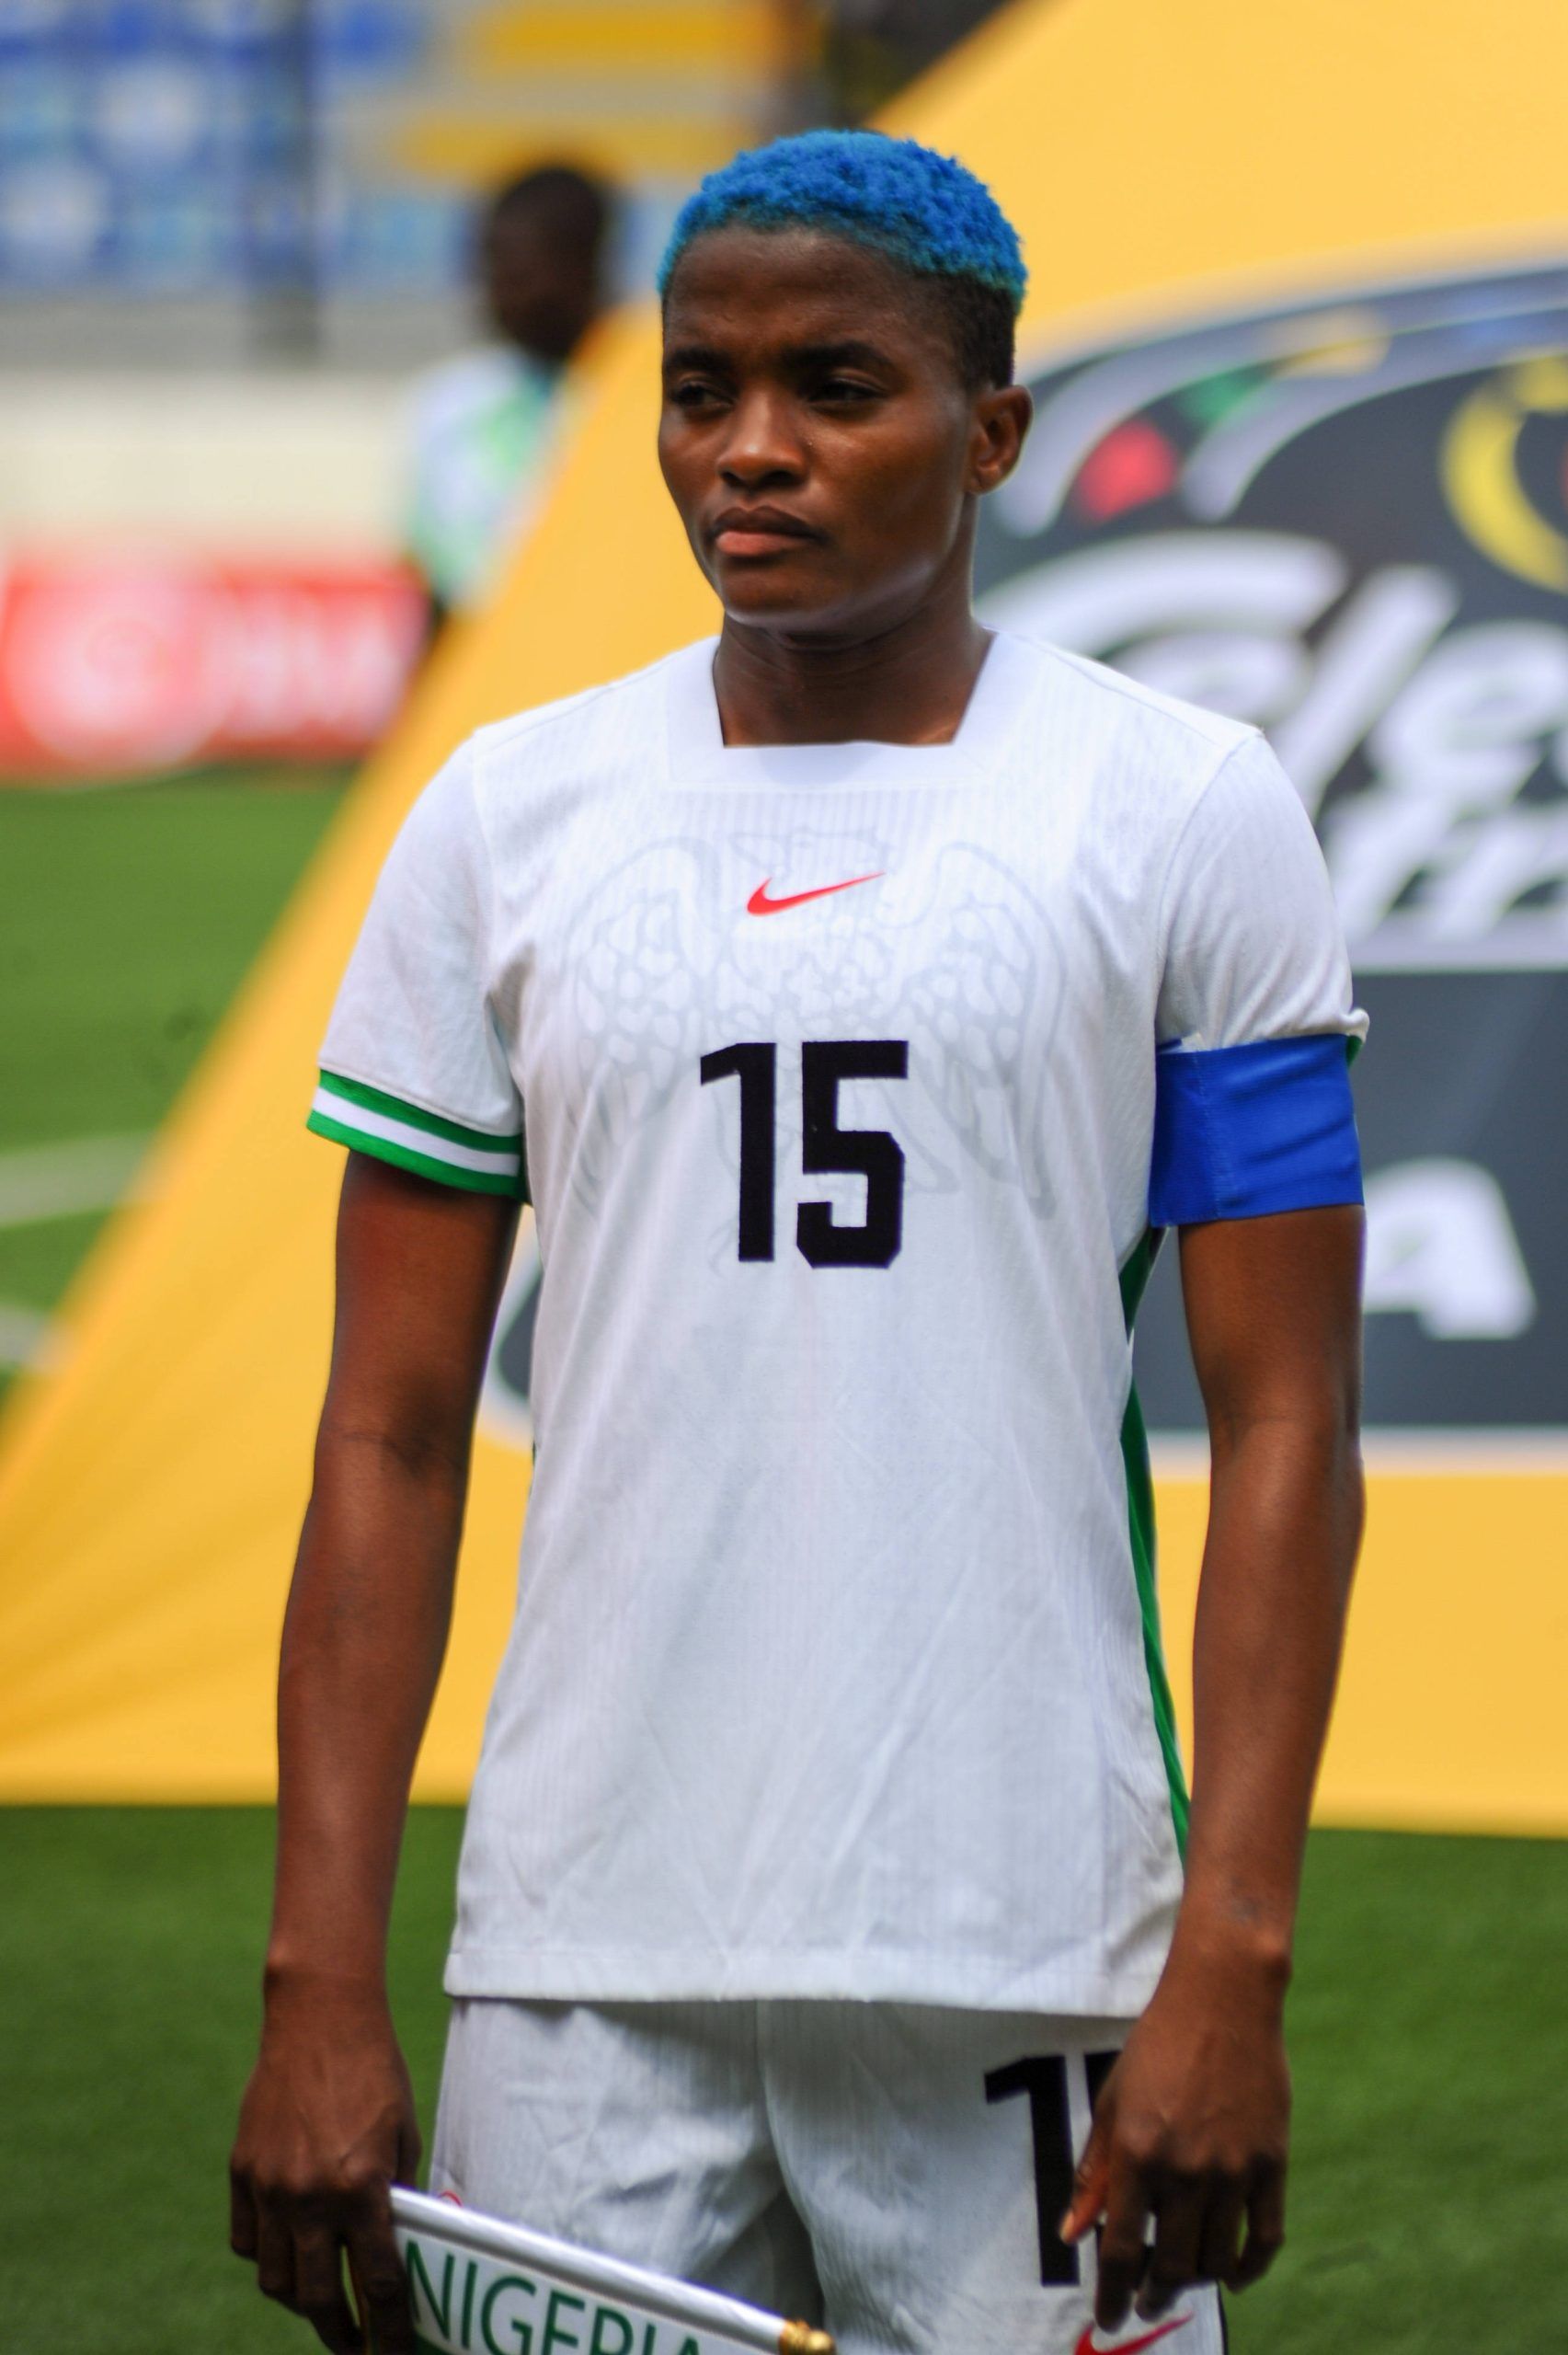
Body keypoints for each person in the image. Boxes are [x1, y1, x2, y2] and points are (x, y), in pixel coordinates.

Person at [230, 129, 1366, 2355]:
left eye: (836, 385)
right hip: (576, 1962)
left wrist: (1224, 1954)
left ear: (994, 430)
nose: (747, 448)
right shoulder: (507, 818)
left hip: (1029, 1933)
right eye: (698, 386)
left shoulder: (1180, 804)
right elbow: (380, 1429)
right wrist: (317, 1976)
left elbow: (1284, 1418)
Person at [406, 162, 615, 617]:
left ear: (587, 263)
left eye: (519, 273)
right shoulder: (449, 406)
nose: (499, 293)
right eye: (488, 269)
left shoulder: (651, 397)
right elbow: (435, 591)